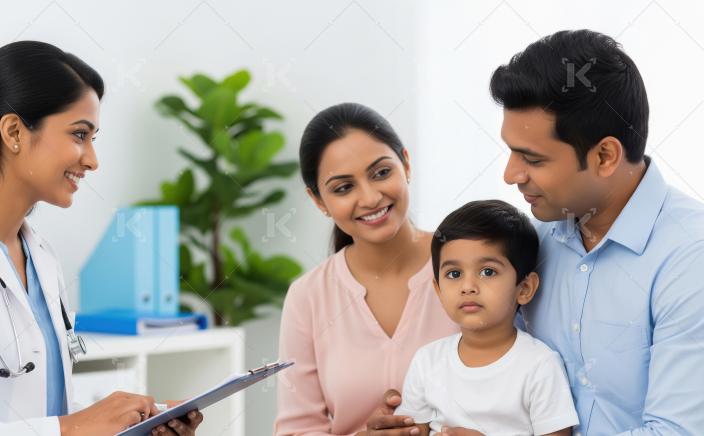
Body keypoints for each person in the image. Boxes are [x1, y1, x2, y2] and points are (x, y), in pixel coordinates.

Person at [0, 41, 202, 436]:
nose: (92, 160)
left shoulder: (40, 257)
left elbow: (41, 409)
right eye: (80, 134)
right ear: (13, 131)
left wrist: (129, 424)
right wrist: (71, 428)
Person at [490, 29, 704, 434]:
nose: (510, 175)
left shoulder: (691, 258)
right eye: (511, 151)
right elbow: (496, 375)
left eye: (532, 158)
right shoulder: (533, 242)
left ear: (605, 156)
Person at [274, 103, 457, 436]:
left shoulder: (470, 262)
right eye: (344, 188)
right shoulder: (308, 297)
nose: (371, 197)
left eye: (381, 172)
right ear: (318, 201)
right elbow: (296, 430)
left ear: (406, 165)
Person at [396, 200, 578, 435]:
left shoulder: (539, 365)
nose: (468, 286)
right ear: (439, 291)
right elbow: (413, 429)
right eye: (454, 274)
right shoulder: (427, 361)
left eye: (488, 272)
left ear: (524, 288)